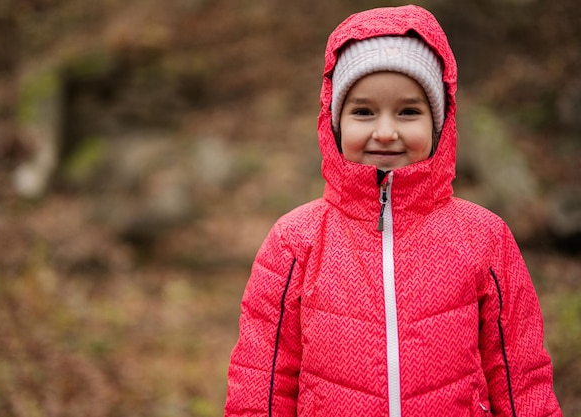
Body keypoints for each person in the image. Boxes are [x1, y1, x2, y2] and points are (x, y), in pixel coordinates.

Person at [224, 5, 562, 416]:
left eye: (408, 111)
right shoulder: (295, 241)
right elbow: (262, 380)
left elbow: (520, 375)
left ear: (439, 124)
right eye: (363, 111)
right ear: (335, 124)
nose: (385, 132)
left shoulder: (484, 237)